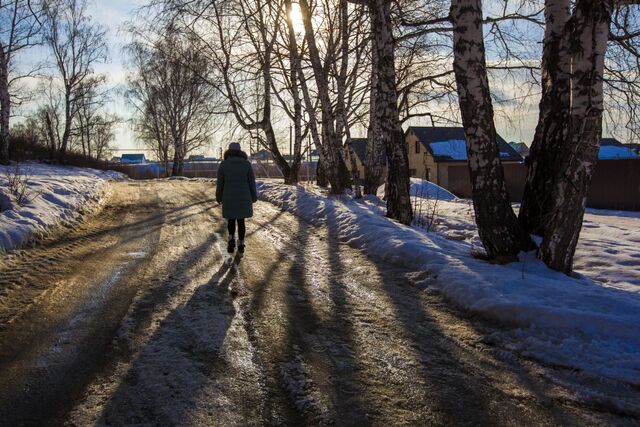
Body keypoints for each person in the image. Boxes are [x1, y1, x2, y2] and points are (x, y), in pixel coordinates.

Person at [216, 142, 257, 254]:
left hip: (228, 197)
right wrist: (254, 196)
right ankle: (241, 243)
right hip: (244, 197)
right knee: (241, 221)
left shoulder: (224, 164)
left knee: (231, 219)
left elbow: (220, 183)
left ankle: (231, 239)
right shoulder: (247, 164)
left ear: (229, 151)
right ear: (240, 151)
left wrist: (218, 196)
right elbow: (251, 182)